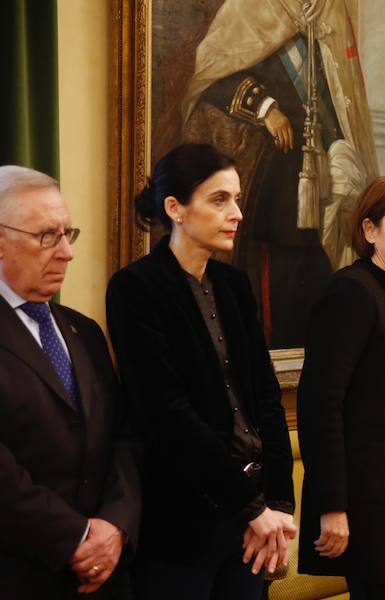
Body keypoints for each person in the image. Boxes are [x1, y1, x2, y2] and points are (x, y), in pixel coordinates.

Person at [106, 144, 296, 599]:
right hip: (181, 519)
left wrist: (279, 503)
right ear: (174, 208)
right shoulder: (136, 288)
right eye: (219, 200)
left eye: (235, 199)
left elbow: (265, 396)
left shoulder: (234, 285)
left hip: (253, 514)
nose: (236, 214)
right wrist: (251, 507)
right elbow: (166, 414)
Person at [181, 0, 379, 348]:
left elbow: (334, 96)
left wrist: (339, 149)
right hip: (270, 187)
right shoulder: (249, 8)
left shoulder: (323, 18)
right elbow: (210, 77)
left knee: (315, 279)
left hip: (315, 181)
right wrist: (264, 108)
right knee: (275, 283)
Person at [0, 166, 140, 598]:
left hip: (105, 573)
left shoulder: (85, 331)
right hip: (20, 573)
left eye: (67, 234)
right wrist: (76, 538)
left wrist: (114, 525)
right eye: (47, 236)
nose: (66, 252)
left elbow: (124, 435)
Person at [297, 177, 385, 599]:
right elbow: (321, 403)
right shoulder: (352, 290)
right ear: (370, 230)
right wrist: (333, 507)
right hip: (366, 507)